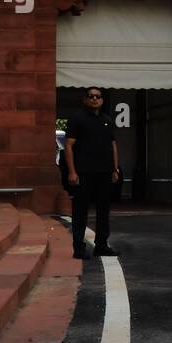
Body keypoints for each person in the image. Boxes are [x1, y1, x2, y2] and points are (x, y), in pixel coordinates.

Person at [64, 86, 121, 260]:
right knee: (80, 211)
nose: (94, 99)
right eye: (91, 96)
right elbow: (68, 145)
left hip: (104, 172)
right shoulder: (77, 118)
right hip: (83, 172)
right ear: (85, 99)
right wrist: (72, 172)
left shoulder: (107, 119)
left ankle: (102, 245)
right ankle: (79, 248)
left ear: (102, 100)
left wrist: (115, 168)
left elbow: (112, 146)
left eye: (98, 96)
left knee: (104, 210)